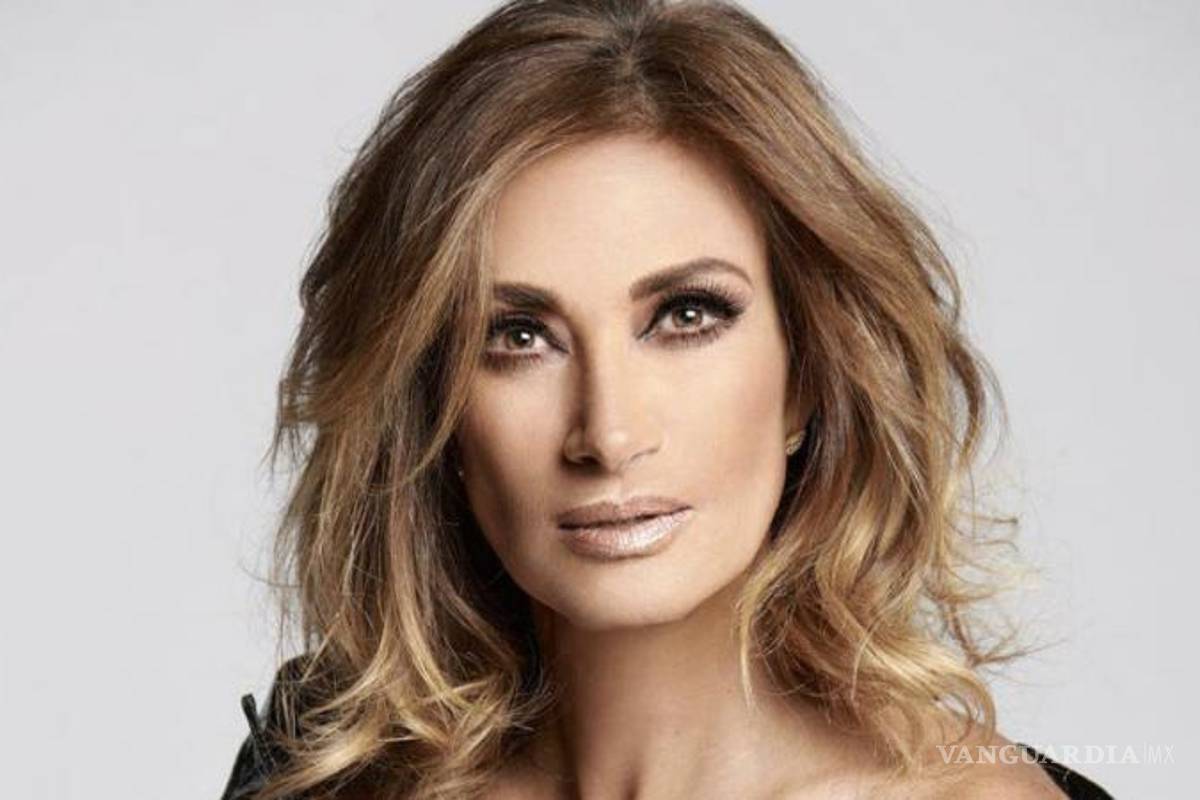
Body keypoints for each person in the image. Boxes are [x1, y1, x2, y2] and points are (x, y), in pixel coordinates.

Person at [221, 1, 1115, 798]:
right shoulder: (321, 776)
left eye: (687, 316)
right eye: (518, 336)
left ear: (809, 373)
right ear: (433, 402)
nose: (607, 434)